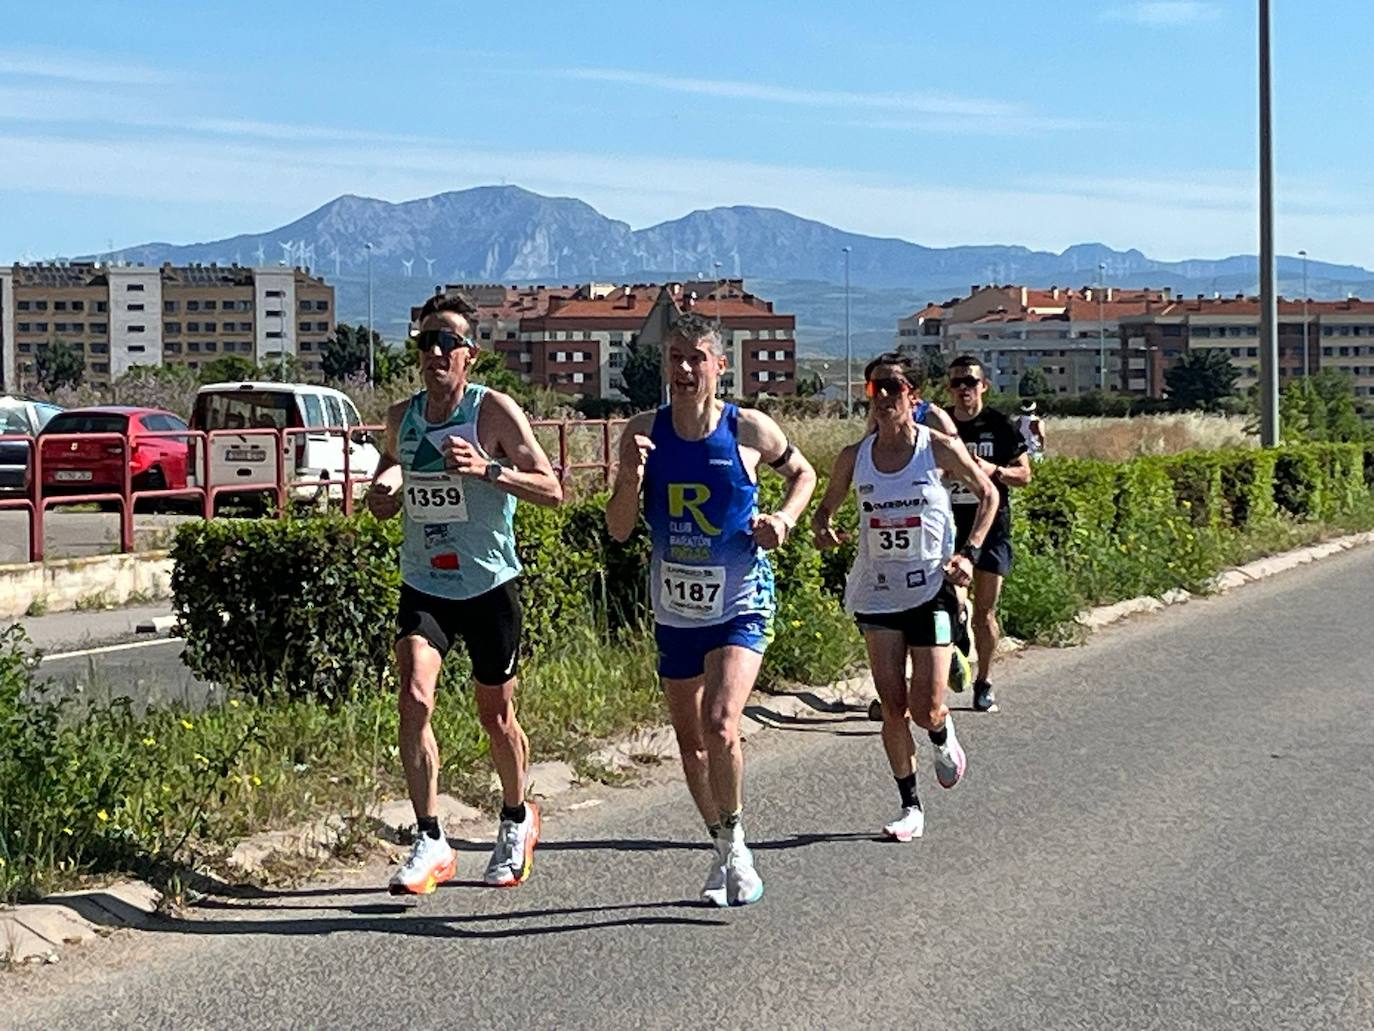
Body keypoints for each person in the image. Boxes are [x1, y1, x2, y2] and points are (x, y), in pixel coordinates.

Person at [606, 313, 816, 906]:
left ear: (720, 368)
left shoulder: (747, 428)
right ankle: (726, 849)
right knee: (691, 742)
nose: (684, 368)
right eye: (675, 357)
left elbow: (803, 472)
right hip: (675, 608)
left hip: (740, 599)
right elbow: (619, 531)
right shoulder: (643, 431)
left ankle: (737, 844)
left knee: (722, 722)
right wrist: (628, 477)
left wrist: (785, 520)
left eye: (697, 358)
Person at [367, 294, 564, 895]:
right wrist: (383, 489)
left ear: (469, 356)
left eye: (446, 343)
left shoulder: (493, 412)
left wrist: (486, 469)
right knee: (413, 695)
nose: (433, 353)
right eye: (425, 342)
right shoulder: (403, 416)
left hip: (488, 584)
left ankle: (516, 816)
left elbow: (553, 490)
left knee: (496, 716)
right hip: (426, 581)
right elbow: (393, 467)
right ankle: (430, 838)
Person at [813, 354, 997, 841]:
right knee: (892, 707)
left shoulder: (935, 448)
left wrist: (970, 554)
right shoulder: (855, 456)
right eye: (876, 390)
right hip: (877, 595)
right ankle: (910, 806)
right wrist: (823, 529)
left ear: (913, 396)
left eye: (895, 388)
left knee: (926, 707)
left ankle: (942, 735)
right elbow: (825, 510)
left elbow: (988, 494)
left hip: (931, 592)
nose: (886, 398)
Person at [946, 355, 1033, 713]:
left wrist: (992, 470)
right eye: (956, 383)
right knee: (952, 601)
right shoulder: (942, 425)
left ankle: (984, 680)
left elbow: (1024, 475)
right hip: (949, 525)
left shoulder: (999, 425)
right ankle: (957, 634)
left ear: (983, 386)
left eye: (970, 382)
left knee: (986, 612)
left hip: (992, 527)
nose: (963, 389)